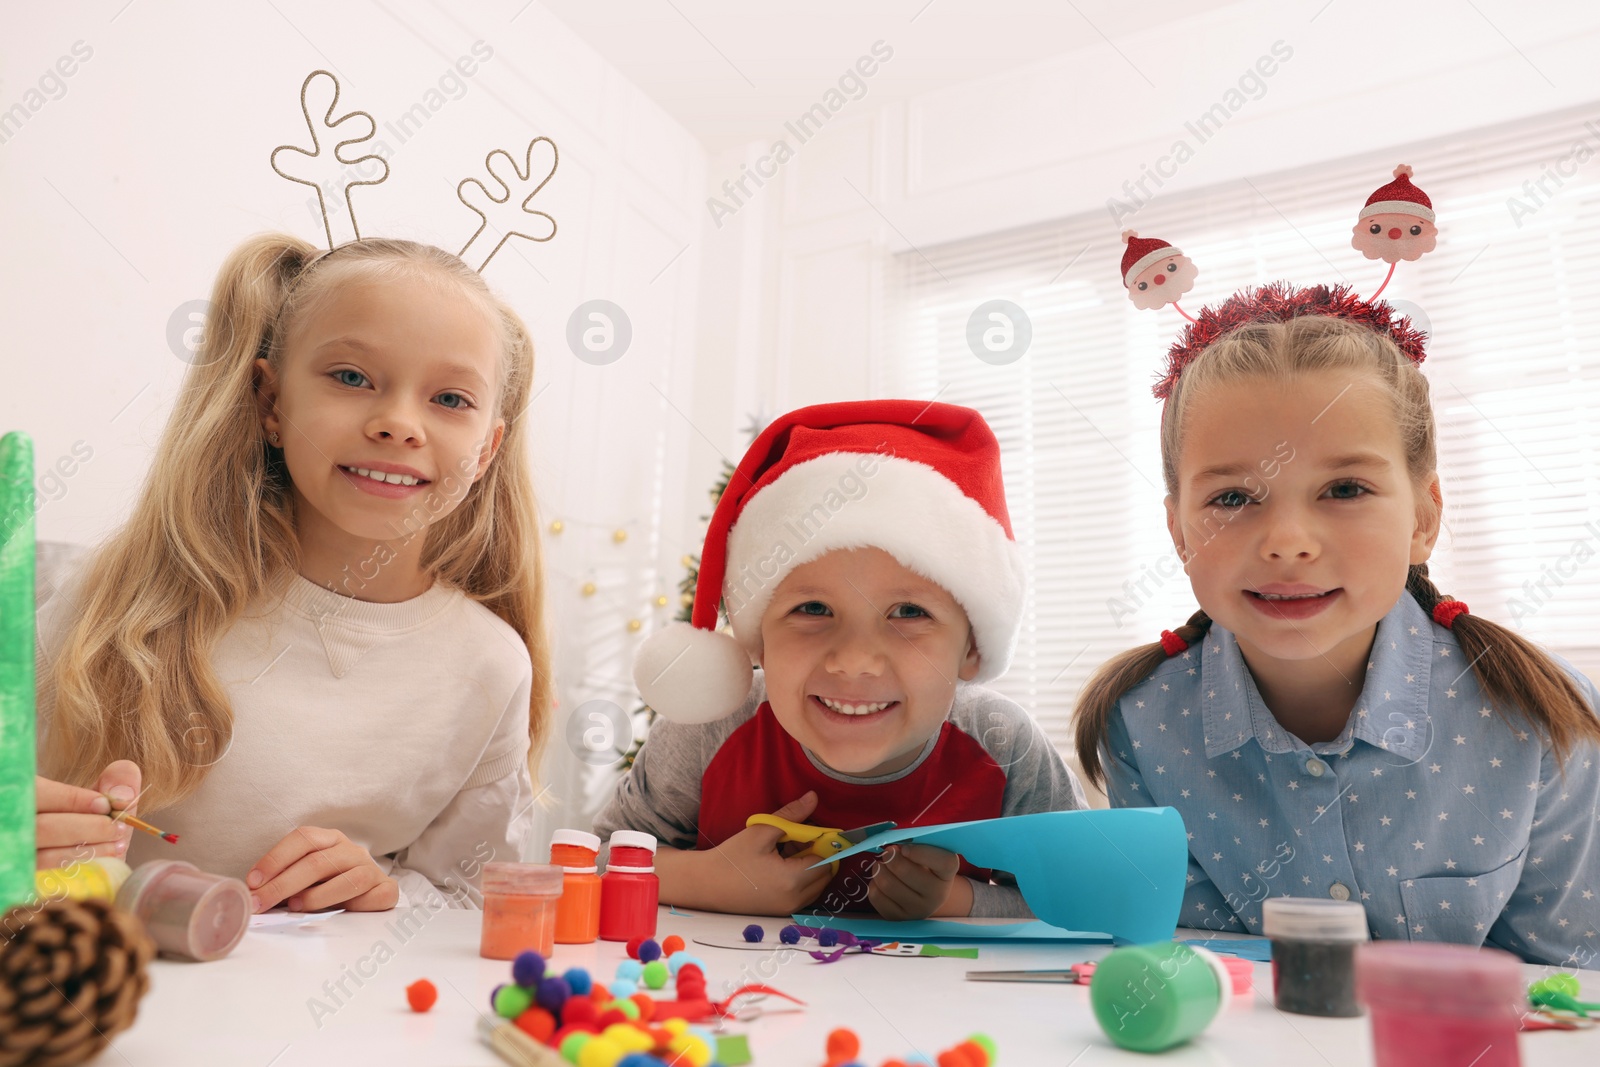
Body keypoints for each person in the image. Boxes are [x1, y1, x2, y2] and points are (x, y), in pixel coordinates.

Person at [1074, 284, 1600, 966]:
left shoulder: (1543, 719)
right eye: (1233, 497)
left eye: (1345, 489)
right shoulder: (1141, 725)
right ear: (1178, 531)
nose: (1288, 541)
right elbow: (1196, 977)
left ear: (1423, 514)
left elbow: (1572, 998)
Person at [33, 234, 552, 912]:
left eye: (450, 398)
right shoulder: (126, 599)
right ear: (271, 402)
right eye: (352, 377)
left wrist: (389, 891)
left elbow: (466, 895)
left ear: (486, 449)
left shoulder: (493, 666)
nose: (398, 423)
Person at [598, 401, 1084, 920]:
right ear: (757, 638)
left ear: (971, 649)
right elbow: (596, 861)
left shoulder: (1002, 742)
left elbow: (1091, 892)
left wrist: (957, 901)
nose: (855, 662)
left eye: (908, 612)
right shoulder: (709, 729)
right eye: (812, 608)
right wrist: (711, 880)